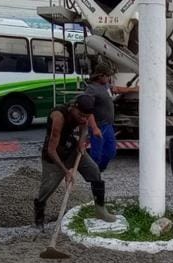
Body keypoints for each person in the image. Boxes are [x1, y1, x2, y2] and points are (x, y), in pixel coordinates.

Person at [34, 95, 116, 231]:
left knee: (94, 171)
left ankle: (100, 210)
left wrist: (81, 142)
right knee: (46, 189)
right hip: (54, 156)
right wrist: (66, 172)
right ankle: (39, 221)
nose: (83, 119)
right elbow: (51, 150)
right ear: (73, 108)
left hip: (71, 148)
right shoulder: (58, 117)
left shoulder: (84, 114)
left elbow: (84, 127)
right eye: (81, 115)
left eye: (87, 116)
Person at [85, 64, 138, 172]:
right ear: (100, 76)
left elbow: (117, 89)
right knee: (96, 154)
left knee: (111, 151)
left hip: (108, 125)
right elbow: (88, 110)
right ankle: (93, 172)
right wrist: (94, 128)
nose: (109, 78)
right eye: (107, 76)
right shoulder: (91, 89)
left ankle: (100, 169)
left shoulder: (105, 86)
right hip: (98, 126)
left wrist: (134, 89)